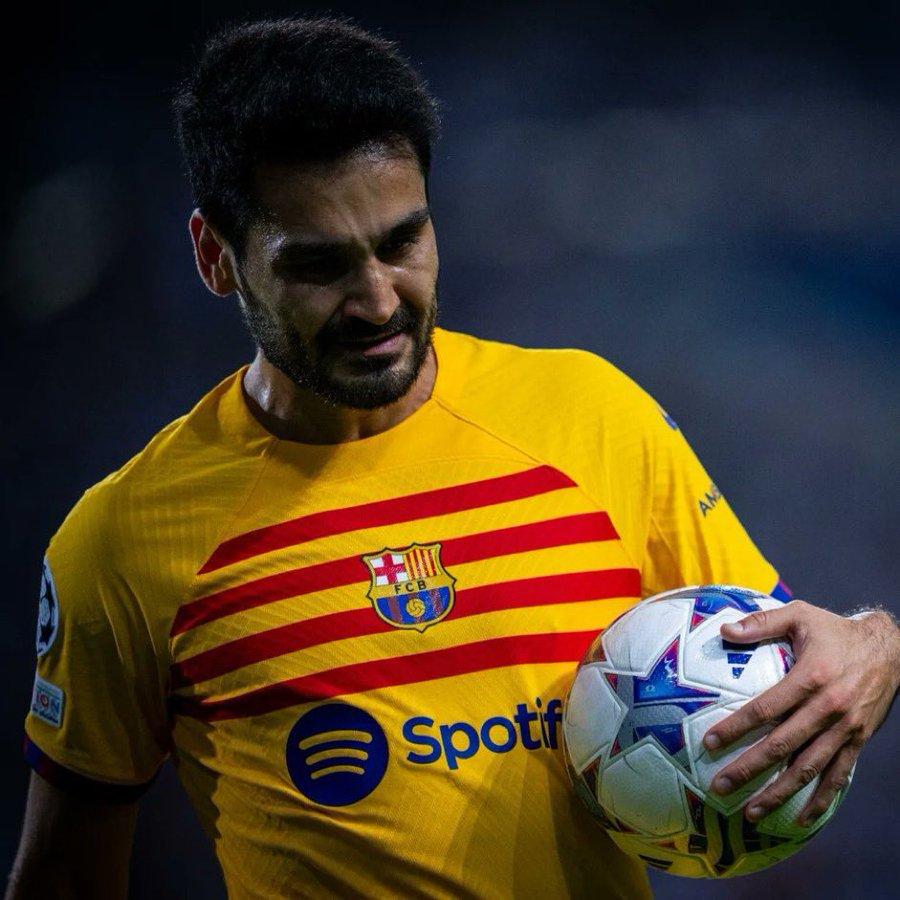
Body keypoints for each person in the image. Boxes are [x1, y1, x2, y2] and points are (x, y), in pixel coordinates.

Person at [7, 16, 899, 900]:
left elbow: (788, 669)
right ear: (217, 258)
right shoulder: (123, 539)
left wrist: (874, 643)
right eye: (318, 266)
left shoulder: (592, 414)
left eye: (402, 242)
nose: (376, 300)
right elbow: (65, 874)